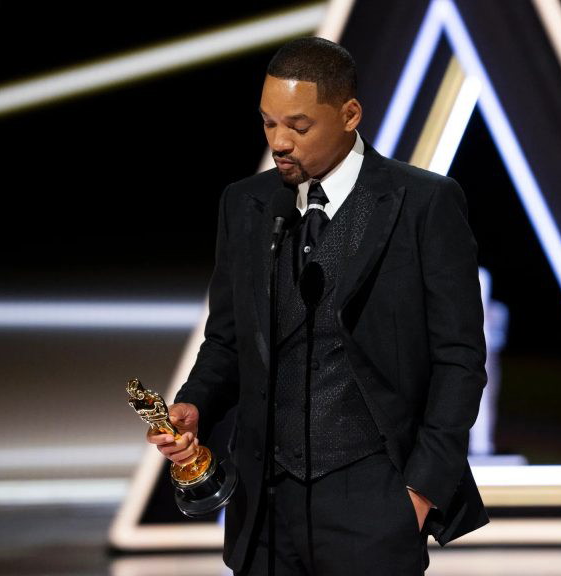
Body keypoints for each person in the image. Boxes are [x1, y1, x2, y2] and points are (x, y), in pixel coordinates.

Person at [146, 36, 489, 575]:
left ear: (350, 114)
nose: (279, 141)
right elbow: (228, 339)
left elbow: (460, 361)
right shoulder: (246, 204)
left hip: (373, 502)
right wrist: (196, 403)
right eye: (267, 122)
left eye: (298, 127)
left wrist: (420, 491)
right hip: (264, 509)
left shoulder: (425, 204)